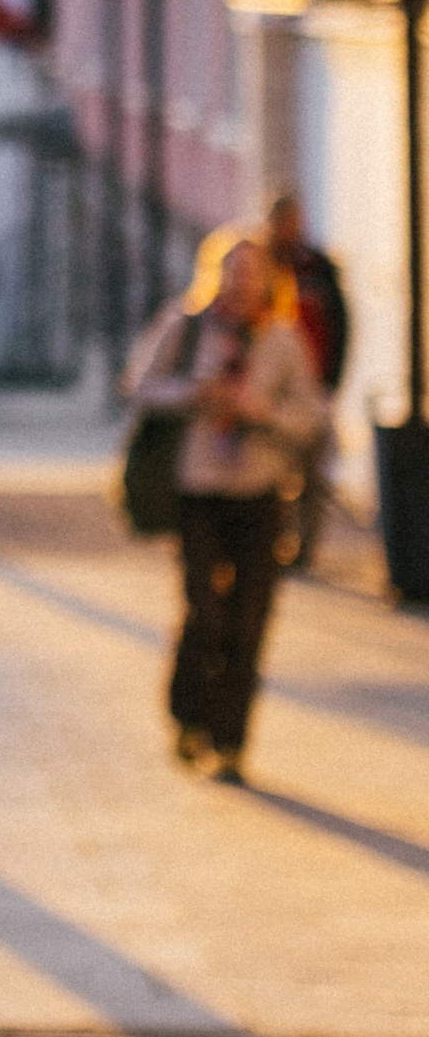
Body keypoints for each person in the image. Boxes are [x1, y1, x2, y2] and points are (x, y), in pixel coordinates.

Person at [126, 227, 325, 784]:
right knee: (204, 611)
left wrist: (264, 412)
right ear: (215, 273)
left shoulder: (281, 340)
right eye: (234, 272)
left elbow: (311, 417)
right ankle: (189, 715)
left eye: (254, 274)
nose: (243, 284)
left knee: (248, 619)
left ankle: (230, 739)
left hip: (259, 491)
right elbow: (140, 385)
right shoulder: (186, 327)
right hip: (198, 490)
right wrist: (196, 392)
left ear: (268, 282)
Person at [264, 189, 349, 569]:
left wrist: (332, 381)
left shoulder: (316, 267)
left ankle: (304, 549)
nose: (289, 229)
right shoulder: (260, 264)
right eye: (283, 221)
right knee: (272, 470)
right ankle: (273, 543)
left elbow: (340, 324)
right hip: (271, 390)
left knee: (313, 474)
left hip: (312, 386)